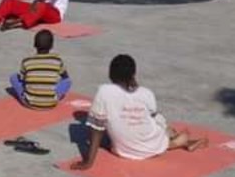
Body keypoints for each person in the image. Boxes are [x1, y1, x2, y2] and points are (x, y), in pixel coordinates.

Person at [69, 54, 207, 171]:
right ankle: (176, 140)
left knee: (109, 128)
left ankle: (176, 140)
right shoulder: (146, 93)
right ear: (133, 75)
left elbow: (96, 129)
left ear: (110, 74)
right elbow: (151, 115)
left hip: (123, 151)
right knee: (158, 119)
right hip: (151, 143)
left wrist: (88, 162)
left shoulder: (104, 92)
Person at [8, 30, 71, 109]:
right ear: (52, 46)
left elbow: (23, 79)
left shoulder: (27, 61)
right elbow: (65, 77)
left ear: (34, 44)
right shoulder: (57, 60)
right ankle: (49, 96)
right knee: (67, 81)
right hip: (51, 103)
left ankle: (33, 95)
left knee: (13, 77)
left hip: (29, 102)